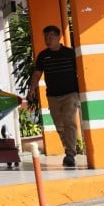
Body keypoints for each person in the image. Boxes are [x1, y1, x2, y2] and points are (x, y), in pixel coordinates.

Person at [27, 24, 80, 167]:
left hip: (70, 94)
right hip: (52, 95)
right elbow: (37, 74)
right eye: (45, 37)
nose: (47, 40)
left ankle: (70, 153)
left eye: (50, 37)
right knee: (59, 125)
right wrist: (32, 89)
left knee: (69, 121)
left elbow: (79, 72)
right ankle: (70, 146)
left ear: (58, 37)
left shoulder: (70, 53)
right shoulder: (43, 56)